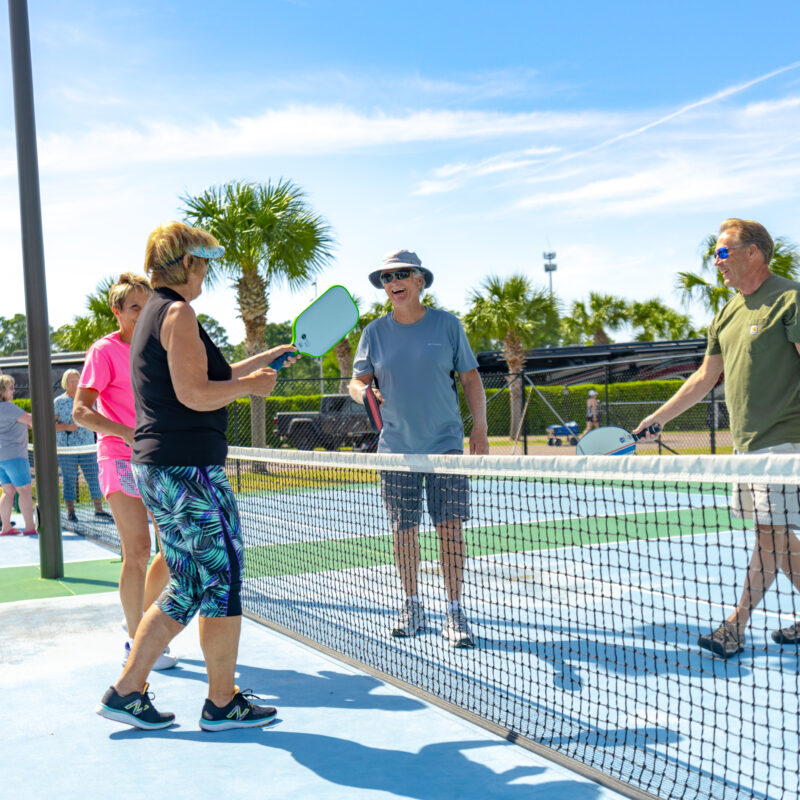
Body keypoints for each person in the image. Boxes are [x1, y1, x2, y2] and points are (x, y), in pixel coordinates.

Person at [96, 221, 298, 731]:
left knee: (185, 583)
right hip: (190, 471)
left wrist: (261, 363)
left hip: (158, 470)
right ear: (186, 263)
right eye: (204, 260)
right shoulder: (180, 312)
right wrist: (252, 386)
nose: (208, 269)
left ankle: (125, 691)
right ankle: (222, 702)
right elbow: (194, 394)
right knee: (223, 578)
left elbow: (208, 376)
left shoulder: (153, 314)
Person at [634, 218, 800, 658]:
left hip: (785, 443)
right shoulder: (727, 311)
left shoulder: (790, 298)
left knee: (769, 534)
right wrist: (657, 417)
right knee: (780, 539)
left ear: (754, 253)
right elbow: (705, 378)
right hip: (746, 447)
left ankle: (734, 626)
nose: (716, 261)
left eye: (723, 251)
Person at [349, 249, 489, 648]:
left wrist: (479, 428)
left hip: (445, 446)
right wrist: (364, 392)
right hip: (395, 449)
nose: (393, 283)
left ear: (419, 281)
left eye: (401, 275)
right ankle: (411, 605)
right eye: (386, 278)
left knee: (449, 530)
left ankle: (455, 611)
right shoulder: (374, 332)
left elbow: (471, 380)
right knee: (403, 531)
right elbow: (357, 382)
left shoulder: (447, 326)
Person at [74, 274, 176, 670]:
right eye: (134, 307)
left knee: (171, 551)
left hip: (159, 458)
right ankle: (137, 641)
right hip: (118, 457)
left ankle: (142, 618)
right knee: (137, 551)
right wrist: (125, 432)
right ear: (117, 312)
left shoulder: (159, 348)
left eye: (147, 306)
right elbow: (82, 411)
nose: (143, 313)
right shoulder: (103, 351)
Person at [54, 369, 109, 522]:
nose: (75, 383)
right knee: (69, 479)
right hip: (67, 450)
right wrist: (66, 427)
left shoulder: (87, 400)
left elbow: (97, 420)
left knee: (93, 477)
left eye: (77, 380)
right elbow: (50, 425)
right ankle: (71, 512)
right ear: (65, 383)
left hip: (88, 447)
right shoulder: (58, 402)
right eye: (71, 380)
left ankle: (99, 509)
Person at [0, 375, 35, 536]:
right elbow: (31, 420)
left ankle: (6, 527)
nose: (13, 391)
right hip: (15, 456)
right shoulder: (8, 407)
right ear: (3, 390)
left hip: (2, 457)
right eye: (10, 388)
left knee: (8, 491)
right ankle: (30, 528)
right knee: (25, 490)